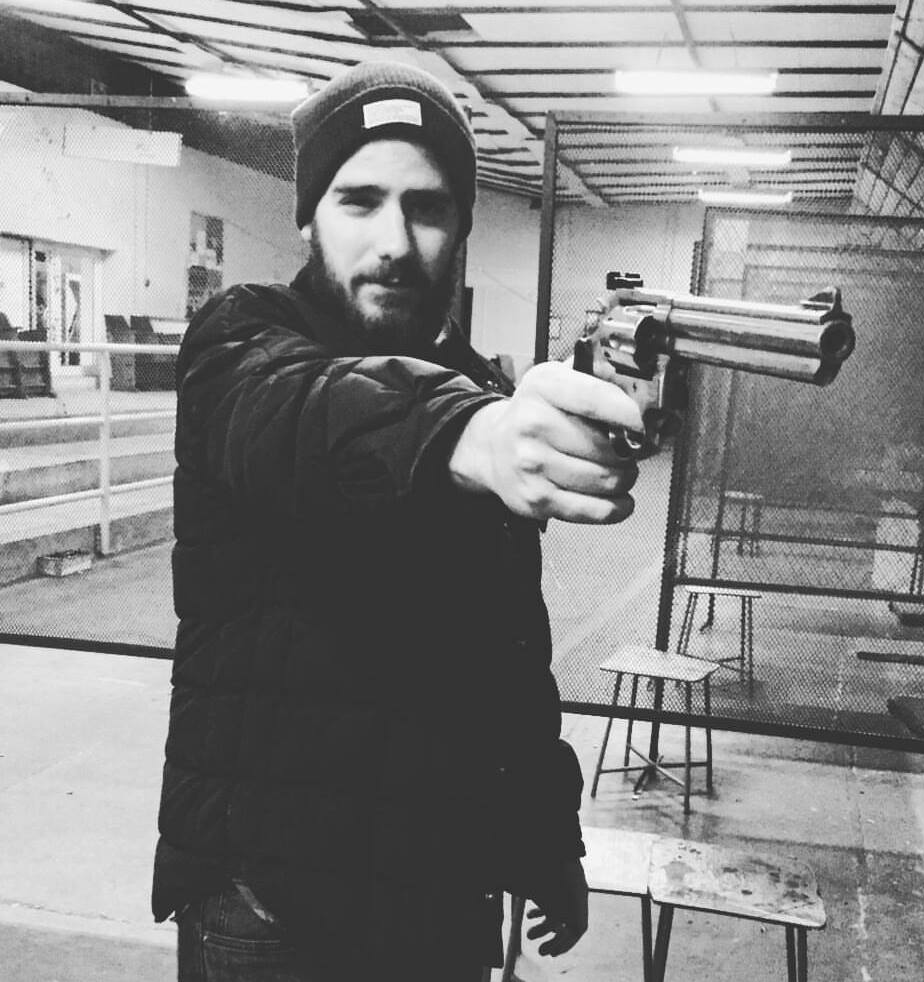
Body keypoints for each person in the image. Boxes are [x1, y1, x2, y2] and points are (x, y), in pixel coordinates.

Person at [151, 60, 642, 982]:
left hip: (438, 895)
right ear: (310, 216)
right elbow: (305, 413)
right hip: (277, 912)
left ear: (462, 225)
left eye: (427, 207)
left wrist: (547, 839)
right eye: (359, 201)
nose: (396, 242)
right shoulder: (240, 344)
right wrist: (472, 436)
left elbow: (507, 654)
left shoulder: (476, 385)